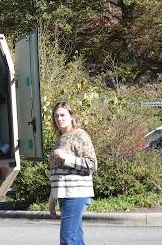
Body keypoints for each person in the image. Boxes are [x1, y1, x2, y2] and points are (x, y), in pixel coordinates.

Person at [48, 102, 97, 245]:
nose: (59, 118)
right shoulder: (59, 139)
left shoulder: (80, 135)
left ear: (71, 116)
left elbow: (92, 164)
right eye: (56, 116)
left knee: (68, 239)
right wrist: (52, 199)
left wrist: (66, 158)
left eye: (63, 115)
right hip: (64, 195)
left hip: (76, 193)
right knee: (75, 238)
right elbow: (57, 173)